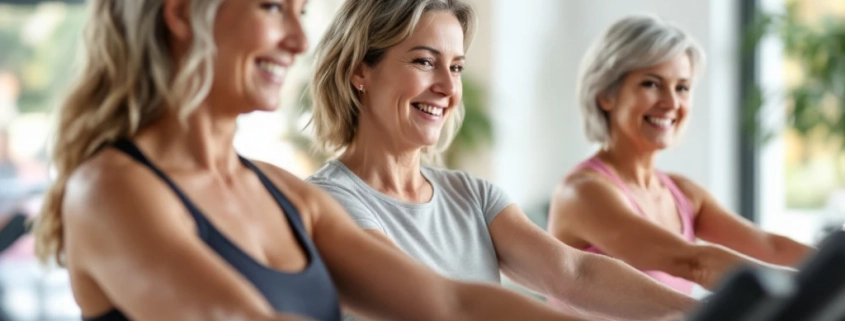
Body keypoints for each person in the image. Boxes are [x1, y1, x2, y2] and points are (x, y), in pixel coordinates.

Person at [31, 1, 608, 320]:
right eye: (272, 8)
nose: (298, 42)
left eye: (299, 13)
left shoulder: (285, 195)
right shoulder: (109, 191)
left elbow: (449, 301)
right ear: (181, 14)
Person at [306, 1, 697, 320]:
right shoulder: (328, 203)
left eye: (456, 67)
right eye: (425, 62)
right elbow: (445, 305)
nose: (446, 87)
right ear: (361, 71)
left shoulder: (472, 196)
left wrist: (702, 311)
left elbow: (574, 274)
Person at [546, 14, 813, 297]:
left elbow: (771, 247)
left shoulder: (683, 194)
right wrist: (813, 285)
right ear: (606, 95)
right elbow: (694, 262)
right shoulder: (582, 193)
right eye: (651, 84)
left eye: (682, 87)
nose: (671, 102)